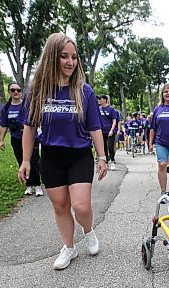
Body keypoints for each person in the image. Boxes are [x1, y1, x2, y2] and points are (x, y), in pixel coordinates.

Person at [18, 32, 108, 270]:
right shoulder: (37, 90)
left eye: (74, 57)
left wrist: (102, 157)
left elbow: (95, 127)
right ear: (51, 58)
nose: (70, 62)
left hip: (79, 154)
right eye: (64, 57)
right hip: (50, 156)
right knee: (59, 206)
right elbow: (29, 127)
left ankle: (88, 231)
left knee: (81, 206)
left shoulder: (84, 90)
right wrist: (26, 160)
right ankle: (69, 248)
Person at [0, 83, 43, 197]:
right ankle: (29, 185)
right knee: (21, 161)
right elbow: (4, 124)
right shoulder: (6, 108)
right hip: (16, 139)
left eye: (18, 90)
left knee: (34, 161)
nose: (16, 92)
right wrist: (1, 140)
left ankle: (38, 185)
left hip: (31, 138)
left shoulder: (26, 105)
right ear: (9, 92)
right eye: (13, 90)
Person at [97, 94, 121, 171]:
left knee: (110, 146)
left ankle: (112, 161)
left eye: (100, 99)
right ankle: (106, 161)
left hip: (110, 131)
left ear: (105, 100)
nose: (99, 100)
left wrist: (112, 130)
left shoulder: (111, 109)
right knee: (103, 147)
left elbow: (114, 120)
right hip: (101, 131)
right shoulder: (98, 109)